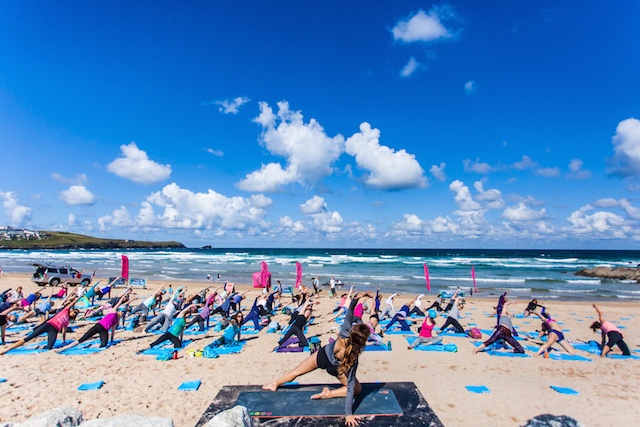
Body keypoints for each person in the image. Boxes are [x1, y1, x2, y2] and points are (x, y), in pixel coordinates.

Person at [262, 294, 371, 427]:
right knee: (356, 389)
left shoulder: (344, 333)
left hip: (322, 356)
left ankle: (274, 383)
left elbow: (350, 311)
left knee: (296, 371)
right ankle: (329, 394)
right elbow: (350, 389)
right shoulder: (354, 356)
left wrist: (356, 298)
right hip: (337, 369)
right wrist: (348, 414)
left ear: (353, 331)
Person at [56, 289, 133, 352]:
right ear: (120, 310)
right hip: (98, 326)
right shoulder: (113, 311)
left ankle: (90, 345)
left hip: (104, 330)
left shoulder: (116, 321)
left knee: (104, 345)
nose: (122, 313)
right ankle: (63, 349)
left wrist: (112, 341)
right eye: (122, 311)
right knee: (83, 339)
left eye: (123, 313)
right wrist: (124, 295)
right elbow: (119, 303)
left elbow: (113, 332)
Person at [0, 294, 80, 355]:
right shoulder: (65, 311)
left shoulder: (67, 321)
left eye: (76, 314)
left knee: (49, 347)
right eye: (74, 311)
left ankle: (40, 346)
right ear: (71, 310)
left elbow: (64, 331)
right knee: (29, 337)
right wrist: (78, 297)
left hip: (54, 329)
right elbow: (71, 302)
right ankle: (6, 350)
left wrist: (63, 341)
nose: (74, 313)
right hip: (48, 324)